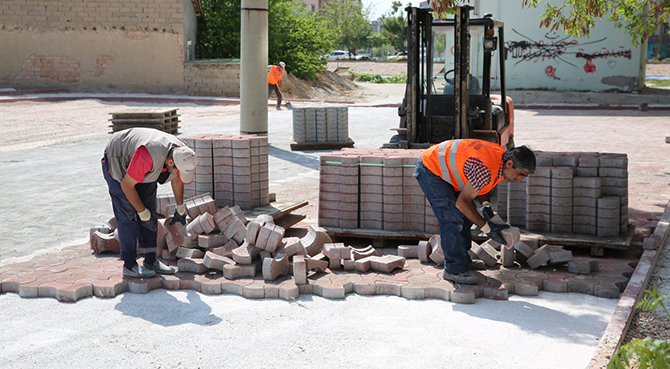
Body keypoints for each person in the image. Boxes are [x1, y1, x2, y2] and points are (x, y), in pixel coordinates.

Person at [414, 139, 536, 285]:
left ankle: (462, 261)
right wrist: (487, 229)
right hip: (430, 169)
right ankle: (454, 270)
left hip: (444, 167)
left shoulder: (500, 159)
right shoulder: (487, 169)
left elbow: (481, 185)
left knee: (465, 217)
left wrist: (486, 205)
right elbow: (462, 203)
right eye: (520, 174)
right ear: (510, 164)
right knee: (452, 218)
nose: (520, 179)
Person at [102, 127, 198, 278]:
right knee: (128, 212)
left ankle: (150, 260)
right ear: (171, 162)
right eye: (176, 170)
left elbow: (178, 178)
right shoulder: (147, 156)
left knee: (150, 210)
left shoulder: (182, 152)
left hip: (143, 162)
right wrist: (142, 212)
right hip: (118, 158)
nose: (178, 174)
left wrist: (180, 208)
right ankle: (129, 264)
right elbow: (127, 185)